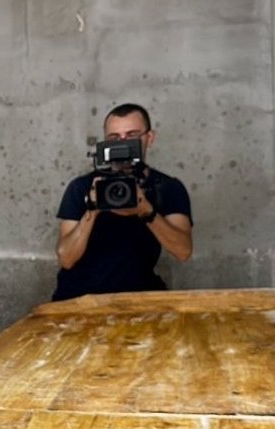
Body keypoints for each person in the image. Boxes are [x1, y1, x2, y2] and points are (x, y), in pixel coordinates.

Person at [53, 103, 194, 301]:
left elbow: (183, 251)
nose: (123, 143)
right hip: (80, 298)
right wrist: (92, 210)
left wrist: (147, 211)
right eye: (114, 138)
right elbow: (66, 259)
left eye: (132, 135)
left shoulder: (167, 188)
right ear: (104, 142)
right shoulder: (82, 187)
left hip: (140, 298)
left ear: (149, 138)